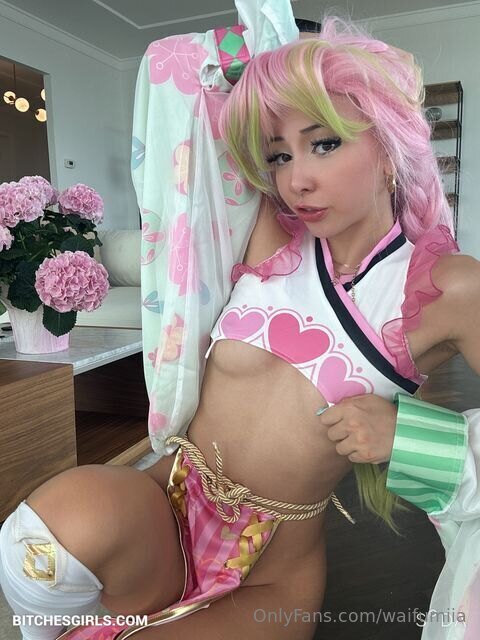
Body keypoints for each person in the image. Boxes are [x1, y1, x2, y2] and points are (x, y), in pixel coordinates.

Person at [1, 10, 479, 640]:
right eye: (279, 154)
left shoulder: (450, 286)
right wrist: (279, 48)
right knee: (33, 545)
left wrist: (411, 439)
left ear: (391, 146)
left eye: (325, 143)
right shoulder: (267, 232)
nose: (296, 180)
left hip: (270, 576)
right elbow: (183, 76)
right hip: (164, 508)